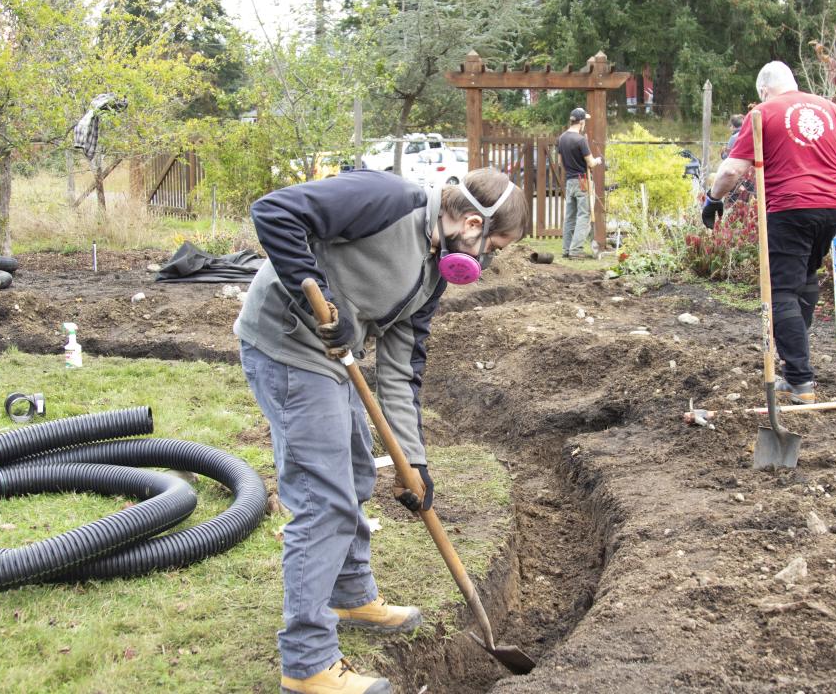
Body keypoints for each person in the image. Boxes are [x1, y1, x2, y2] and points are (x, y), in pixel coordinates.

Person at [234, 168, 528, 694]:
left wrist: (413, 463)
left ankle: (351, 593)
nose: (488, 261)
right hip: (287, 345)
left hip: (332, 357)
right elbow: (273, 212)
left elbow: (400, 369)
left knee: (355, 474)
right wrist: (316, 297)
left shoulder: (436, 270)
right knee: (324, 500)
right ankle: (306, 664)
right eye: (494, 247)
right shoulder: (386, 198)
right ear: (470, 222)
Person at [703, 61, 836, 405]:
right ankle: (796, 359)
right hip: (832, 207)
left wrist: (713, 199)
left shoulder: (763, 112)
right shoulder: (832, 110)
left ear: (763, 90)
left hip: (790, 207)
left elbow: (732, 169)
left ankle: (800, 381)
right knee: (806, 277)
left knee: (780, 291)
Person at [557, 106, 601, 259]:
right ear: (581, 122)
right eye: (585, 121)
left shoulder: (562, 138)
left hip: (570, 180)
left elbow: (560, 161)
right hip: (583, 181)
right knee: (584, 215)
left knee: (570, 216)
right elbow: (590, 163)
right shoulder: (580, 140)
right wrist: (599, 160)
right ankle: (576, 250)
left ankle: (566, 249)